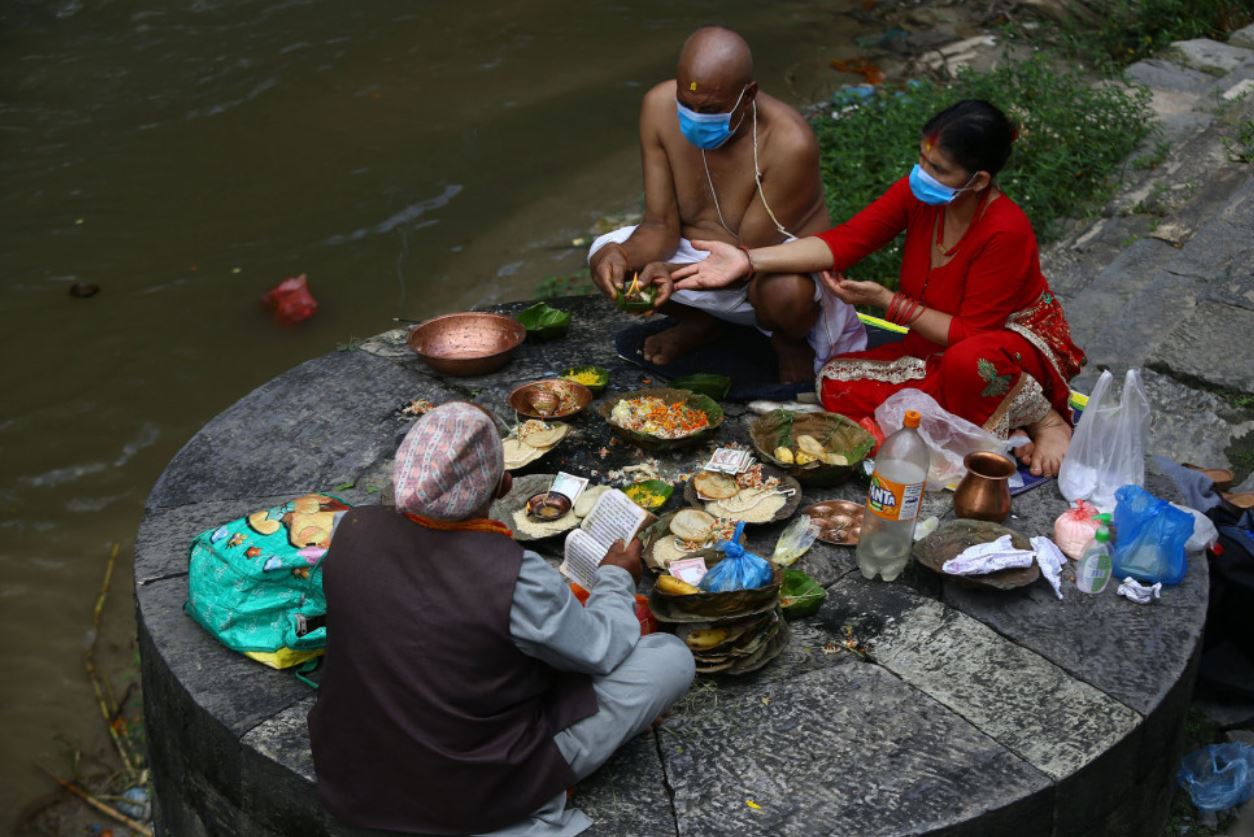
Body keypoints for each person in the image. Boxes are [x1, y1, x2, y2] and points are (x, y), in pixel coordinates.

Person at [307, 403, 694, 836]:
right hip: (474, 786)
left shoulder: (351, 526)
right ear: (503, 484)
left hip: (355, 772)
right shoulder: (513, 576)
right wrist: (616, 579)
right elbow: (600, 651)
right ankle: (536, 794)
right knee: (669, 658)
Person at [670, 100, 1085, 477]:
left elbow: (972, 334)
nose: (923, 174)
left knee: (966, 364)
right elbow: (847, 240)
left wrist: (888, 303)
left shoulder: (1006, 230)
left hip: (1005, 347)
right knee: (834, 382)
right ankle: (976, 417)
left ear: (978, 182)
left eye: (938, 169)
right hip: (932, 348)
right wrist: (748, 260)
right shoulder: (919, 194)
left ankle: (1044, 418)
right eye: (922, 159)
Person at [587, 25, 865, 384]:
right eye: (686, 105)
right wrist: (622, 257)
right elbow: (659, 224)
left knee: (786, 294)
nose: (695, 117)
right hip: (704, 265)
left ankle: (789, 344)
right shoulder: (658, 107)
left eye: (711, 109)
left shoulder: (788, 142)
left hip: (762, 271)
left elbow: (743, 259)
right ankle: (700, 323)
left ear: (748, 95)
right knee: (603, 255)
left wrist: (666, 275)